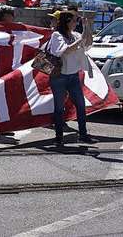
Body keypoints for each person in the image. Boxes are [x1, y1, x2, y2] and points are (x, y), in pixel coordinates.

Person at [47, 11, 94, 146]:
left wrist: (86, 27)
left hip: (73, 75)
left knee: (80, 105)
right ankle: (59, 136)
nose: (75, 23)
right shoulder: (57, 35)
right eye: (73, 21)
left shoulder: (76, 35)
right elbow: (64, 51)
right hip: (59, 76)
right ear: (66, 22)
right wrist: (81, 39)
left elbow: (88, 43)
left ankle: (83, 134)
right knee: (59, 107)